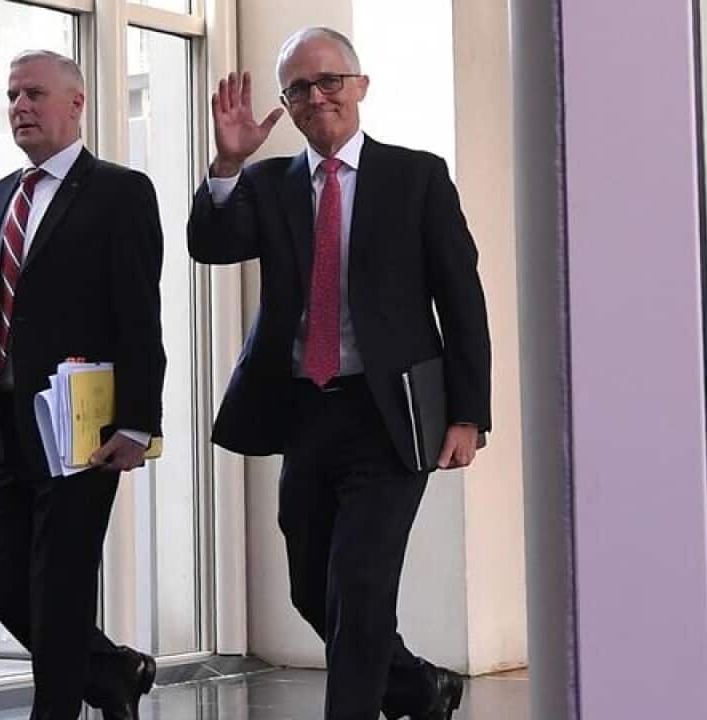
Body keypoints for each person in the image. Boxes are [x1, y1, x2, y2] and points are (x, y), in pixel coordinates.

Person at [187, 27, 491, 720]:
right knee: (309, 588)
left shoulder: (417, 177)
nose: (317, 96)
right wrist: (227, 164)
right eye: (299, 88)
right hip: (308, 412)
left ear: (360, 86)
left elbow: (461, 300)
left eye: (329, 81)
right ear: (287, 107)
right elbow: (212, 244)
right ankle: (418, 687)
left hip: (393, 417)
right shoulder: (268, 183)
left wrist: (468, 414)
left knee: (359, 588)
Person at [0, 50, 165, 720]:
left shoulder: (121, 192)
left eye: (34, 94)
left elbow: (140, 317)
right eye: (12, 95)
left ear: (76, 104)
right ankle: (111, 670)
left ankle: (57, 710)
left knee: (61, 585)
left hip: (80, 430)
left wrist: (138, 423)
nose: (20, 106)